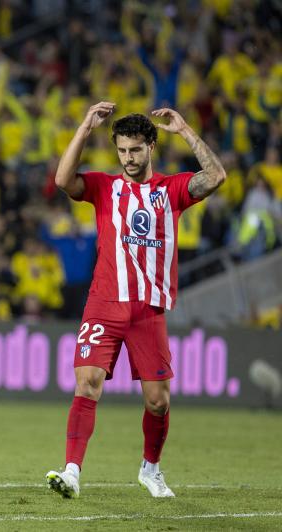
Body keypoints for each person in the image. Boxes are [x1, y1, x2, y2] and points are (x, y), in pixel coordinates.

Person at [45, 102, 226, 499]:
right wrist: (85, 128)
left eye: (135, 150)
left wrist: (185, 131)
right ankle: (72, 470)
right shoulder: (105, 187)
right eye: (123, 151)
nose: (128, 158)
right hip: (105, 303)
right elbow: (62, 179)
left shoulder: (171, 190)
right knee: (87, 383)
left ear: (151, 148)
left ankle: (151, 469)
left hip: (148, 310)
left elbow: (215, 176)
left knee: (158, 403)